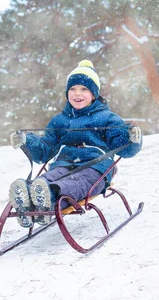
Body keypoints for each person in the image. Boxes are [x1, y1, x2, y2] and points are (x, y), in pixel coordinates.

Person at [9, 59, 142, 228]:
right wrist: (27, 141)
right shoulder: (59, 120)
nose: (77, 94)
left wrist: (131, 137)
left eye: (84, 89)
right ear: (67, 93)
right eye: (72, 89)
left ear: (94, 94)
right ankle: (27, 203)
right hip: (63, 164)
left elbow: (125, 149)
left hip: (96, 169)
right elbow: (45, 151)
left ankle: (48, 198)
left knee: (76, 183)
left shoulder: (107, 118)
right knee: (46, 179)